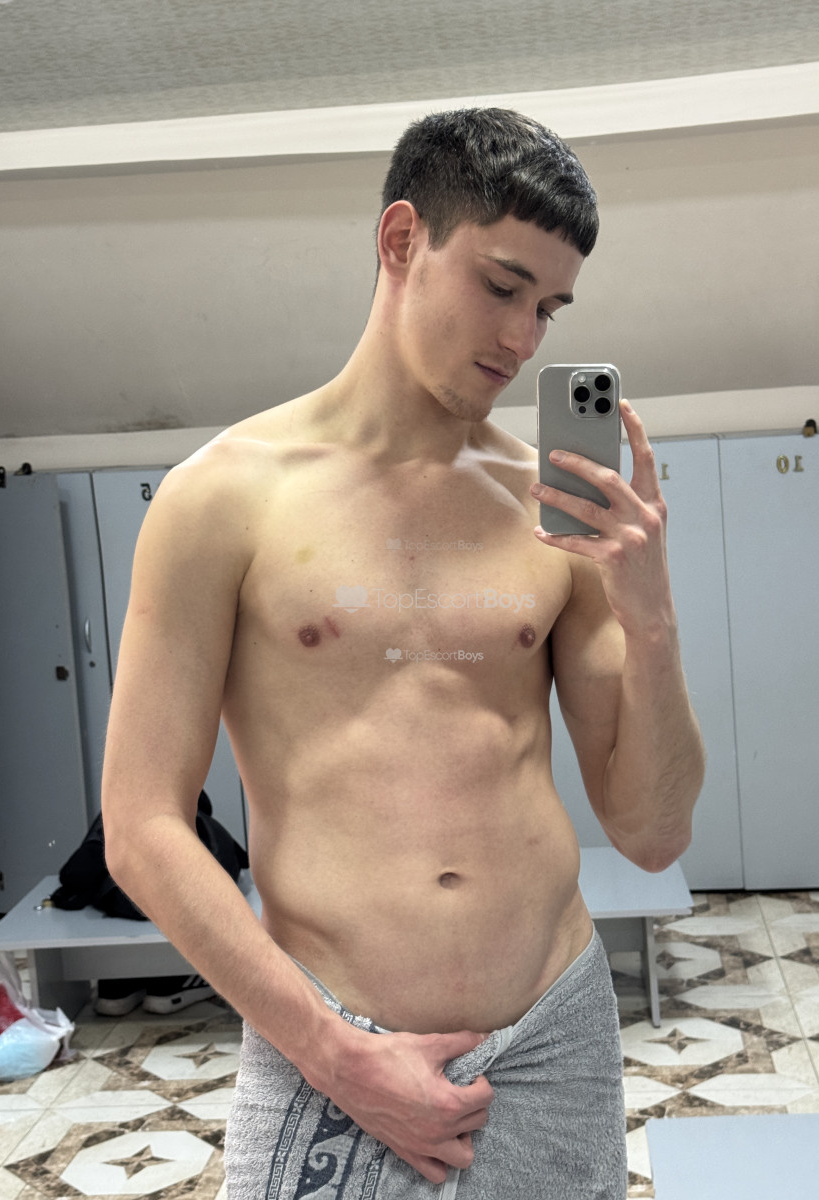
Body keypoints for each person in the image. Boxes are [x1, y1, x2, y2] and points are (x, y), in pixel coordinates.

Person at [102, 107, 704, 1199]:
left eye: (549, 307)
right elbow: (141, 827)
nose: (524, 338)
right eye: (503, 286)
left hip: (555, 1035)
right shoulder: (221, 500)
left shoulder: (550, 513)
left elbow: (654, 833)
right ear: (400, 240)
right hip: (327, 1046)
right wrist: (335, 1056)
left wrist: (652, 618)